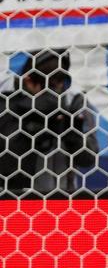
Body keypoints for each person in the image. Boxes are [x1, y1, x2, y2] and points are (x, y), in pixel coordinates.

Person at [0, 49, 98, 197]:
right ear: (29, 81)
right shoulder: (8, 99)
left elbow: (89, 159)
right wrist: (28, 125)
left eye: (60, 81)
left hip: (61, 197)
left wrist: (71, 133)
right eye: (46, 84)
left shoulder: (74, 101)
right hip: (12, 198)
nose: (54, 91)